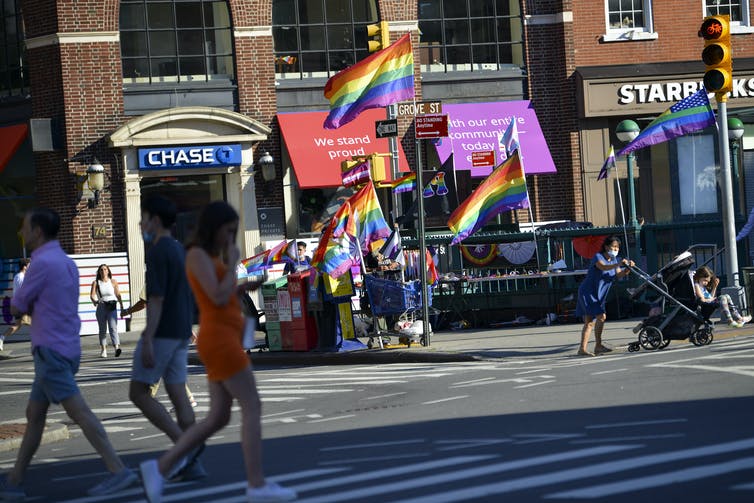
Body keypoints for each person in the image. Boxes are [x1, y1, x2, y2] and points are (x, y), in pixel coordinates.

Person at [139, 201, 296, 503]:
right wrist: (234, 265)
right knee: (252, 405)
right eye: (229, 230)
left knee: (218, 417)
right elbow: (216, 294)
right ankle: (256, 483)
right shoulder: (197, 255)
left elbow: (221, 293)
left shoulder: (208, 256)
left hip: (223, 336)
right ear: (215, 227)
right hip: (220, 340)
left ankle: (160, 467)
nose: (231, 237)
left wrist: (246, 284)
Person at [0, 208, 137, 500]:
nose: (21, 233)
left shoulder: (40, 264)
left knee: (80, 412)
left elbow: (17, 307)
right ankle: (13, 481)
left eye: (24, 227)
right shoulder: (66, 262)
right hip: (65, 346)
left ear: (37, 232)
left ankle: (118, 470)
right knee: (34, 416)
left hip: (51, 350)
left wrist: (13, 300)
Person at [128, 195, 205, 482]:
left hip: (161, 333)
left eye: (144, 218)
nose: (140, 224)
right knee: (178, 395)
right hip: (180, 332)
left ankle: (187, 450)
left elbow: (156, 299)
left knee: (138, 393)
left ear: (155, 221)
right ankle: (193, 460)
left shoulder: (158, 250)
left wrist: (147, 337)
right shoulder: (179, 250)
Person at [122, 287, 198, 408]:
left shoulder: (155, 278)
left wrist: (127, 311)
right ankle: (187, 398)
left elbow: (143, 303)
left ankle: (149, 397)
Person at [575, 236, 634, 356]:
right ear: (606, 247)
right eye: (613, 246)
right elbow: (603, 267)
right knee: (597, 318)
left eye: (617, 247)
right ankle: (589, 347)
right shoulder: (598, 257)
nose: (615, 249)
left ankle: (593, 346)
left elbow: (619, 275)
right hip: (588, 291)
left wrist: (628, 268)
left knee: (594, 320)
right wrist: (618, 263)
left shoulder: (614, 260)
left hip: (600, 293)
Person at [90, 263, 124, 358]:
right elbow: (92, 295)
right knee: (102, 329)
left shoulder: (113, 281)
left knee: (113, 327)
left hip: (112, 306)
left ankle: (116, 347)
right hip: (101, 306)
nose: (103, 271)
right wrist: (95, 301)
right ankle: (103, 349)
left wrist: (121, 305)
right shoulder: (96, 282)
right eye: (101, 270)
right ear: (99, 272)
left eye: (105, 269)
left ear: (108, 271)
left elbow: (118, 294)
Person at [0, 258, 30, 352]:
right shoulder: (21, 277)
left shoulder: (19, 276)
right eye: (29, 265)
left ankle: (2, 337)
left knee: (17, 326)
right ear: (25, 266)